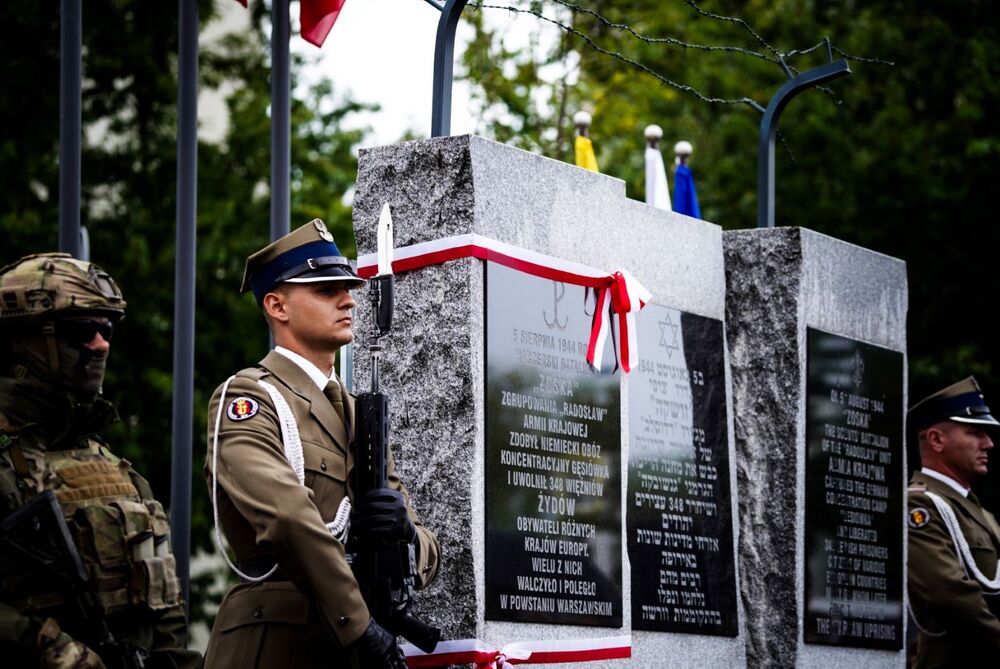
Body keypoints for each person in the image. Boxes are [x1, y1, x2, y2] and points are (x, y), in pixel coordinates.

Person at [204, 220, 439, 668]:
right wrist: (359, 625)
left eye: (347, 288)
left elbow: (429, 551)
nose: (348, 299)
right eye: (326, 290)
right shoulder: (248, 398)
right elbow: (289, 519)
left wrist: (406, 535)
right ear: (277, 305)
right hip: (280, 644)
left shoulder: (358, 413)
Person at [0, 253, 201, 669]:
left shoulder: (116, 469)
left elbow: (165, 617)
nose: (101, 344)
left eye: (106, 328)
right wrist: (50, 648)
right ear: (26, 338)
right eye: (81, 330)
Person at [907, 376, 1000, 666]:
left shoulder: (981, 514)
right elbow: (950, 595)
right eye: (975, 433)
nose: (989, 444)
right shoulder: (920, 504)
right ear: (936, 439)